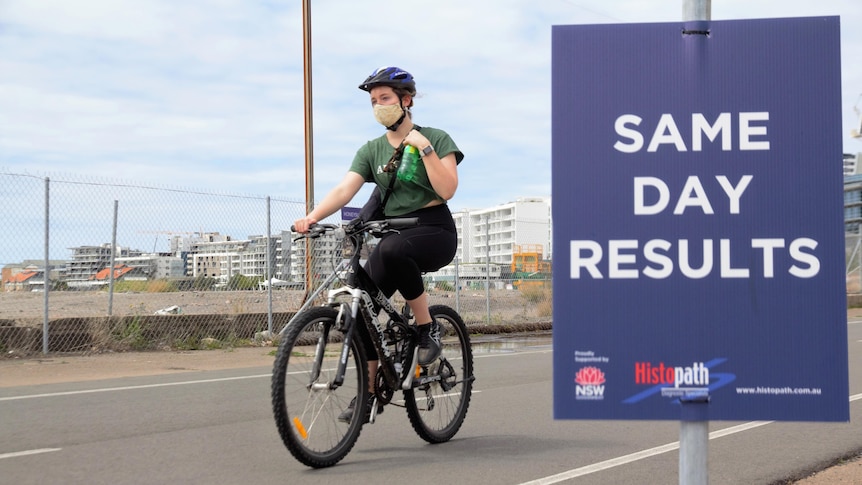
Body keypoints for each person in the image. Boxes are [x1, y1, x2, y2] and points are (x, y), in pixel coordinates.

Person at [292, 66, 463, 423]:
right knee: (362, 306)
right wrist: (312, 216)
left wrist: (424, 147)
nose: (378, 106)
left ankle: (426, 326)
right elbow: (344, 190)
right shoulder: (371, 151)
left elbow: (447, 189)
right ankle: (370, 394)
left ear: (406, 100)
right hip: (394, 233)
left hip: (434, 230)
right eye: (373, 101)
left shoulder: (436, 138)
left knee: (391, 249)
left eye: (385, 99)